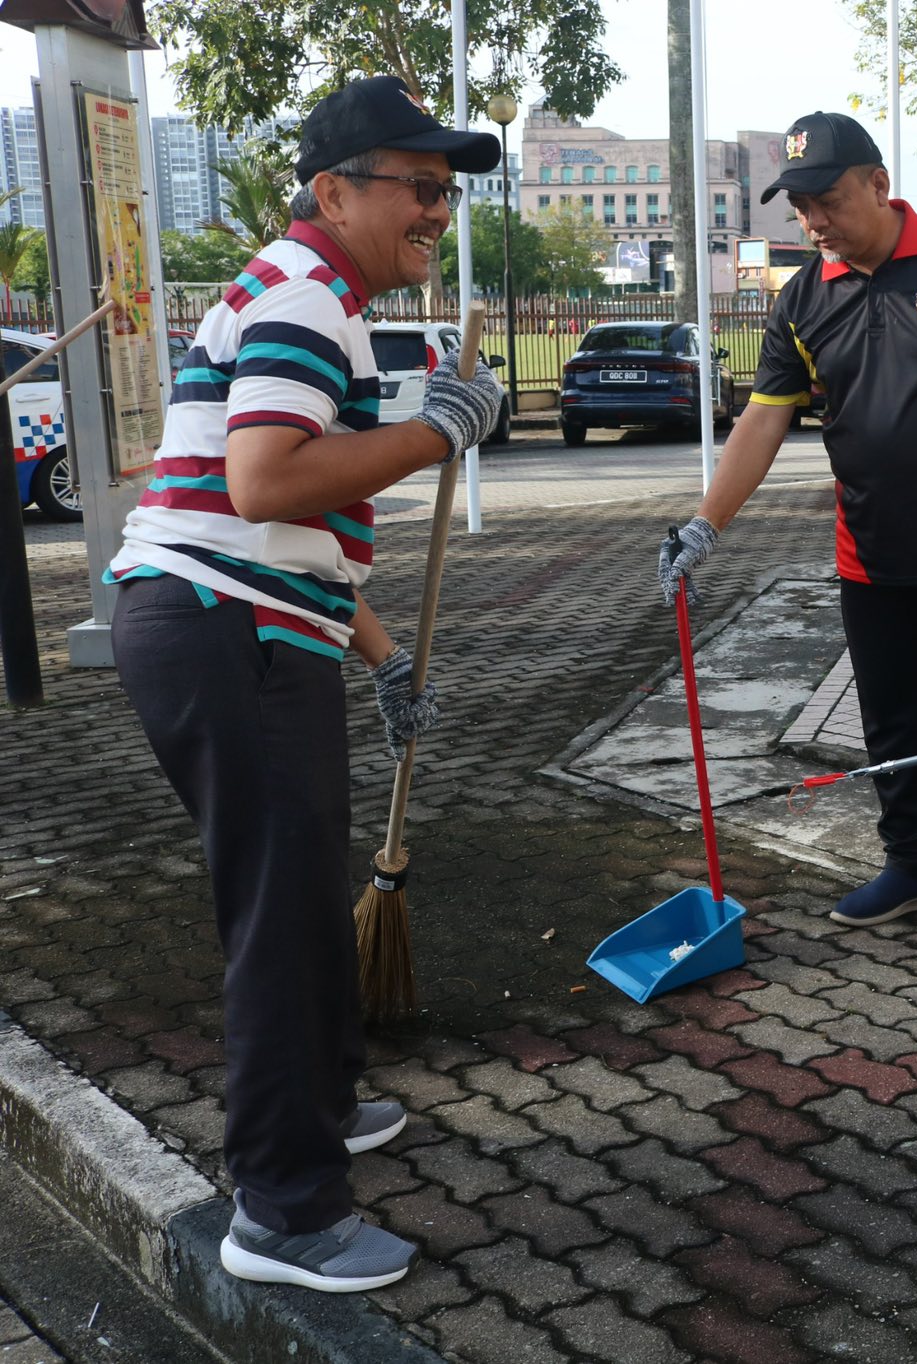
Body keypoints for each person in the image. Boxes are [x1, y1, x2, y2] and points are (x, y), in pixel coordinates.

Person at [104, 77, 504, 1292]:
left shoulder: (315, 294)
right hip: (223, 632)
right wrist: (439, 430)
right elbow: (268, 481)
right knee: (279, 914)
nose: (438, 211)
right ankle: (281, 1210)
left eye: (447, 191)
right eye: (418, 186)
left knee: (301, 876)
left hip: (248, 623)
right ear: (334, 191)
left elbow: (299, 532)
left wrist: (381, 658)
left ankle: (322, 1098)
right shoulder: (300, 292)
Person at [655, 112, 917, 958]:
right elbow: (763, 426)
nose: (812, 221)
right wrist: (706, 524)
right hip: (869, 553)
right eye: (800, 204)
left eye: (827, 200)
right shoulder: (804, 298)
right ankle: (913, 867)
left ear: (879, 186)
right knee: (888, 721)